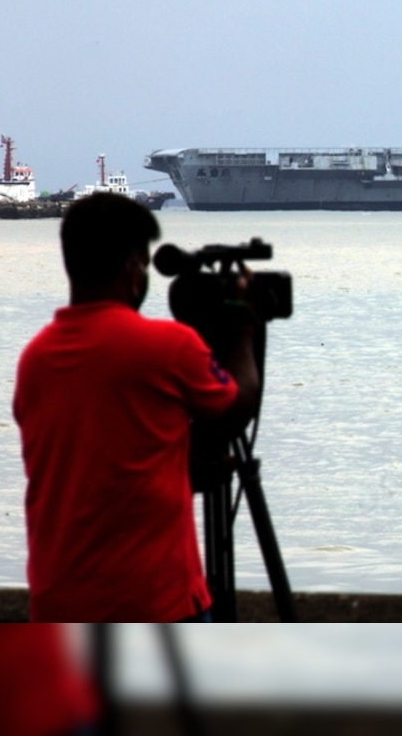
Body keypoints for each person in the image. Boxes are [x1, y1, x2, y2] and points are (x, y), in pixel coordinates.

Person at [14, 192, 259, 622]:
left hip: (59, 605)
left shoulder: (35, 359)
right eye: (144, 263)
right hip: (155, 602)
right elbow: (235, 404)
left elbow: (98, 462)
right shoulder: (169, 348)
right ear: (133, 268)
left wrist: (180, 471)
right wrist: (242, 325)